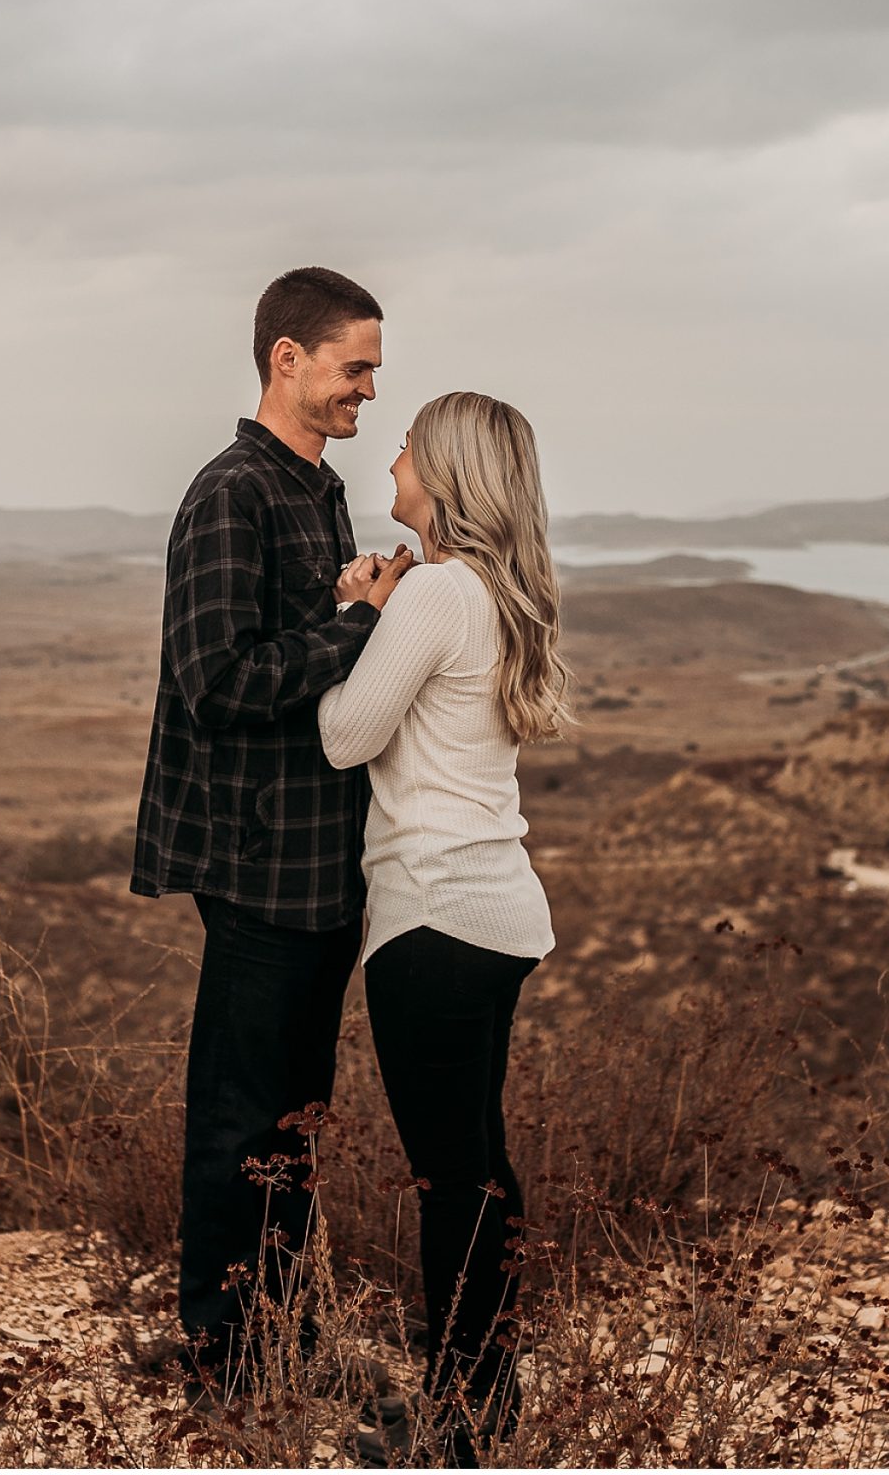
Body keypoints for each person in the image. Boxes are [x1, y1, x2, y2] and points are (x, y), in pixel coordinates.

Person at [130, 264, 412, 1392]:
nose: (369, 391)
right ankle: (220, 1358)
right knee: (240, 1118)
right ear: (285, 358)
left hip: (321, 863)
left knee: (296, 1120)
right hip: (256, 861)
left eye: (374, 372)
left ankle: (278, 1344)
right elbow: (215, 678)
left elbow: (298, 645)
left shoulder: (318, 489)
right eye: (355, 368)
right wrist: (357, 623)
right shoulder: (231, 493)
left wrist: (350, 603)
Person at [317, 391, 572, 1466]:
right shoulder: (497, 594)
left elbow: (344, 736)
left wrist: (357, 613)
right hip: (495, 915)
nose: (393, 459)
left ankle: (460, 1430)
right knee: (481, 1168)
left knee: (451, 1180)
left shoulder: (430, 594)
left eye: (411, 446)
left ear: (450, 474)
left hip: (431, 916)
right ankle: (484, 1405)